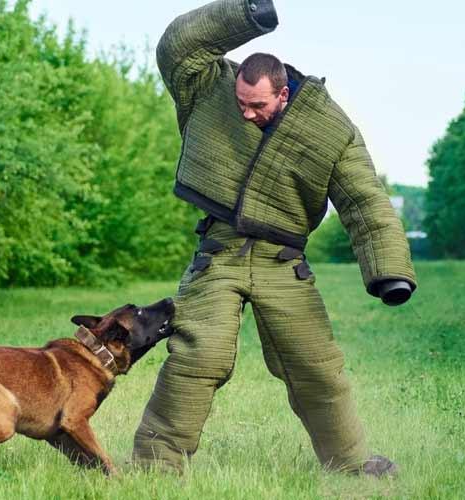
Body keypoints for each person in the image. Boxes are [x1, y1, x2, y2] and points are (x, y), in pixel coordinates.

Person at [131, 0, 417, 477]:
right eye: (241, 102)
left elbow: (366, 201)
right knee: (200, 354)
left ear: (282, 95)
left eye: (257, 105)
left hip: (282, 260)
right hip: (218, 252)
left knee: (315, 365)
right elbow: (176, 45)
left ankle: (349, 464)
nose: (245, 113)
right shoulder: (209, 85)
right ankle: (153, 467)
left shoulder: (330, 130)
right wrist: (246, 12)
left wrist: (389, 271)